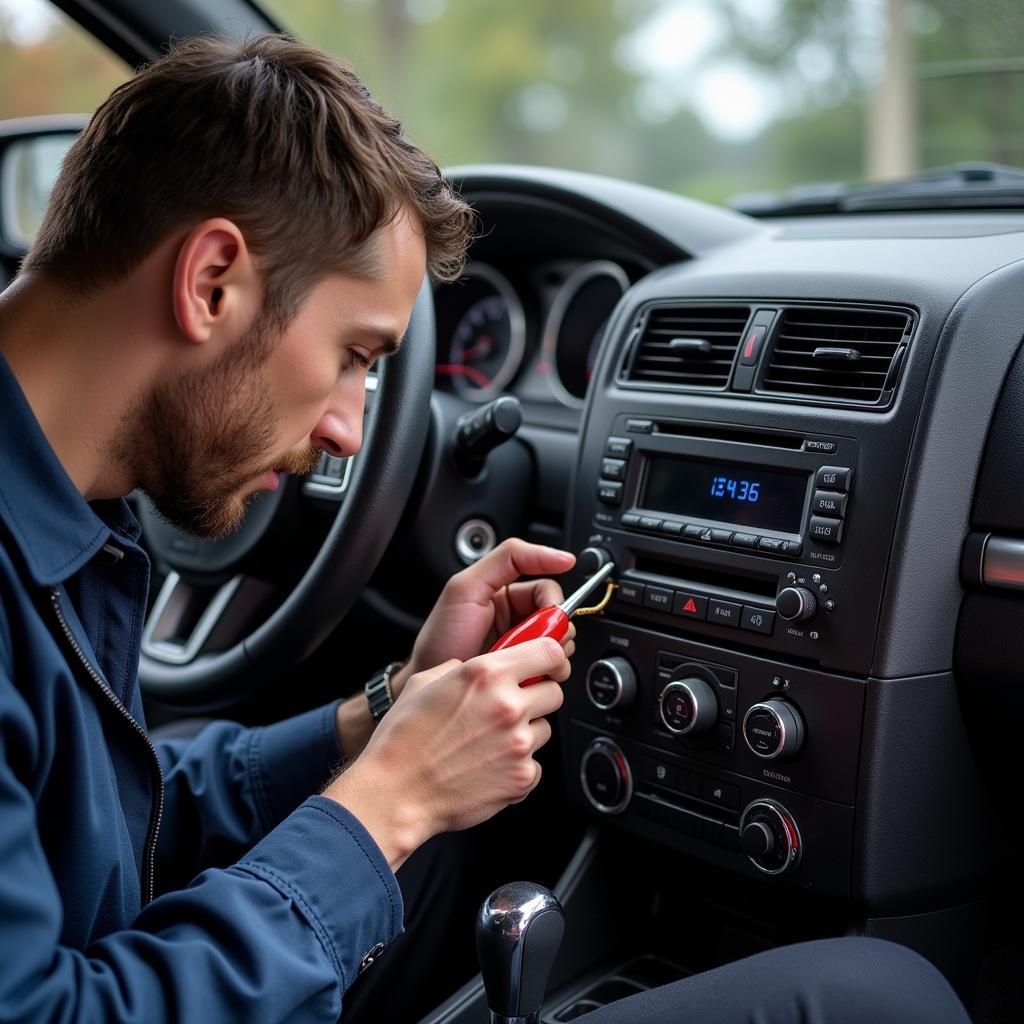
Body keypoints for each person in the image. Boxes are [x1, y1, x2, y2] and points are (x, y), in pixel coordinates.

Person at [0, 32, 970, 1024]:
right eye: (353, 354)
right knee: (876, 995)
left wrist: (387, 713)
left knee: (478, 827)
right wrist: (389, 803)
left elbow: (117, 823)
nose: (348, 425)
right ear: (211, 281)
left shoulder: (69, 508)